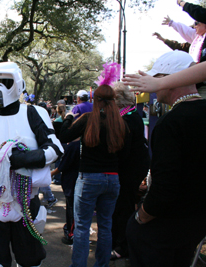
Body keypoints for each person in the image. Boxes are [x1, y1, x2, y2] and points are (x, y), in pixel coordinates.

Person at [0, 62, 64, 267]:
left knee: (30, 261)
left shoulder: (34, 113)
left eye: (5, 82)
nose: (0, 88)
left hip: (26, 205)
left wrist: (22, 159)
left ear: (18, 84)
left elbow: (55, 149)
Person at [125, 50, 206, 267]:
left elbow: (165, 188)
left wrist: (141, 217)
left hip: (166, 227)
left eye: (155, 78)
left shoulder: (171, 122)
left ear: (168, 80)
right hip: (195, 224)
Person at [59, 62, 128, 267]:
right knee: (105, 226)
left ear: (95, 100)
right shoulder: (121, 123)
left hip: (89, 178)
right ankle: (102, 265)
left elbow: (64, 135)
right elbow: (125, 154)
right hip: (112, 179)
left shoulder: (88, 119)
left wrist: (68, 117)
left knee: (81, 227)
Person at [110, 82, 150, 260]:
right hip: (135, 167)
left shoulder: (125, 119)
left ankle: (122, 246)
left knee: (122, 208)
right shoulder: (133, 115)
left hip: (128, 171)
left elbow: (123, 151)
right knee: (124, 206)